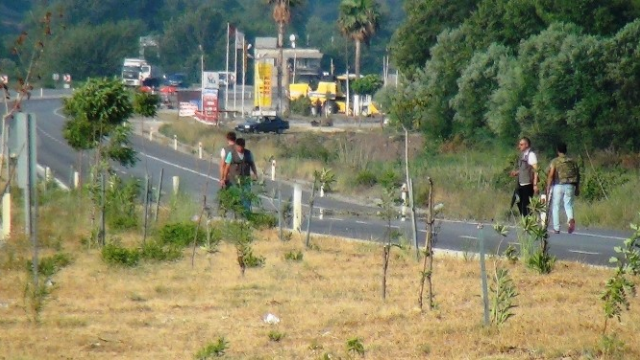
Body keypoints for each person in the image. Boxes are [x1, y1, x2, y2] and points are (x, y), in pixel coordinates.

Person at [546, 142, 580, 234]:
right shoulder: (572, 162)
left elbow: (551, 174)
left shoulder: (555, 161)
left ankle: (556, 228)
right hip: (571, 185)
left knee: (556, 206)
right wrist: (577, 188)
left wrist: (548, 186)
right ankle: (570, 220)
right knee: (568, 204)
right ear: (566, 150)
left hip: (558, 184)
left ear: (557, 151)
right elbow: (577, 175)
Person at [220, 138, 258, 212]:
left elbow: (252, 164)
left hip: (245, 180)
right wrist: (224, 178)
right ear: (236, 146)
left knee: (246, 197)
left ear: (243, 146)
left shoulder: (248, 154)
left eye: (241, 146)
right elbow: (227, 167)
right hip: (234, 180)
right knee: (235, 198)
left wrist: (255, 173)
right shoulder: (231, 154)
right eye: (238, 146)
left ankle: (246, 214)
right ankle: (233, 212)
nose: (240, 148)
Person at [509, 137, 539, 217]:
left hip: (528, 184)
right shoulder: (522, 155)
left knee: (526, 204)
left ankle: (527, 220)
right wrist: (516, 172)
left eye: (521, 144)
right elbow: (524, 169)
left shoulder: (531, 155)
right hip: (521, 183)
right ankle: (524, 218)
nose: (519, 146)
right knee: (518, 201)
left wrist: (535, 184)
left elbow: (536, 169)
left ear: (527, 145)